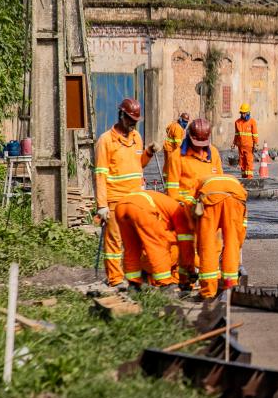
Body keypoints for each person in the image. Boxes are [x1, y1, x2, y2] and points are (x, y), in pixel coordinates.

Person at [94, 98, 157, 289]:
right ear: (121, 115)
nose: (132, 124)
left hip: (136, 199)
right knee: (114, 242)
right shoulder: (106, 141)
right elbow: (100, 175)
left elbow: (139, 165)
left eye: (135, 121)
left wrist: (149, 153)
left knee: (136, 240)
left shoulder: (137, 137)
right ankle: (115, 279)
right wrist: (102, 205)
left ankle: (133, 277)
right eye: (129, 120)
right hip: (115, 201)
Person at [115, 189, 193, 291]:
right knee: (157, 246)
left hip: (121, 206)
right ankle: (165, 284)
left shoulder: (167, 205)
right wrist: (189, 271)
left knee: (131, 247)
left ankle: (134, 284)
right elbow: (184, 245)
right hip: (140, 208)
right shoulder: (180, 212)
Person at [193, 175, 248, 300]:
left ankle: (208, 292)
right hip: (235, 199)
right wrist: (237, 244)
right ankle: (230, 287)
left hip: (209, 198)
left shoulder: (201, 181)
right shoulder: (238, 186)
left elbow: (194, 208)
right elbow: (242, 228)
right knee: (232, 245)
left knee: (207, 246)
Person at [165, 118, 224, 207]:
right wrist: (187, 204)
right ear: (189, 137)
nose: (200, 148)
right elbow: (172, 192)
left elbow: (220, 182)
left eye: (203, 144)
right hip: (185, 209)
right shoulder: (176, 157)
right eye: (197, 144)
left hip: (210, 206)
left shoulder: (214, 153)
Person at [233, 103, 259, 179]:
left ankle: (249, 177)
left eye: (244, 113)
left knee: (249, 161)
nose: (243, 115)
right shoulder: (237, 122)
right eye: (242, 113)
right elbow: (236, 134)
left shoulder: (252, 122)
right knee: (242, 162)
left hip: (249, 146)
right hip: (240, 146)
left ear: (248, 112)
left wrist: (256, 144)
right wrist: (234, 143)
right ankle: (244, 176)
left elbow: (255, 134)